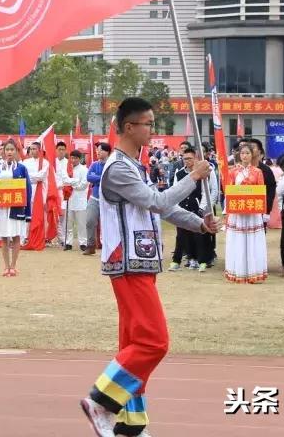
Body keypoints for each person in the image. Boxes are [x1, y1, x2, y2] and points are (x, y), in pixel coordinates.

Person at [80, 97, 218, 437]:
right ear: (129, 127)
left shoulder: (134, 166)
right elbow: (155, 201)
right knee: (154, 342)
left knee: (133, 344)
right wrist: (193, 176)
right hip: (128, 262)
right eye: (148, 124)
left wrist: (199, 224)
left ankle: (132, 421)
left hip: (140, 260)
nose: (152, 130)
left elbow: (163, 208)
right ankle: (101, 401)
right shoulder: (118, 168)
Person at [223, 142, 268, 284]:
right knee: (238, 240)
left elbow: (261, 192)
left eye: (248, 153)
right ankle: (239, 271)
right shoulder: (233, 172)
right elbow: (228, 191)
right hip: (238, 212)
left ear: (252, 155)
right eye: (242, 153)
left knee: (253, 241)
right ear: (239, 155)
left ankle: (253, 272)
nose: (245, 156)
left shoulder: (258, 172)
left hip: (252, 212)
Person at [0, 141, 31, 276]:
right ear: (3, 151)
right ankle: (6, 266)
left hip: (16, 207)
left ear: (16, 151)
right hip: (2, 208)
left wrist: (27, 211)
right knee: (4, 237)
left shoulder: (22, 168)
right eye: (7, 149)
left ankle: (13, 265)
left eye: (12, 149)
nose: (9, 152)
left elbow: (27, 190)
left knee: (16, 236)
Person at [167, 149, 210, 273]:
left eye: (190, 158)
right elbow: (175, 189)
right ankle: (176, 261)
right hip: (182, 207)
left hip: (196, 207)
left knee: (199, 235)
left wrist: (201, 208)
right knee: (181, 235)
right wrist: (176, 206)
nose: (187, 161)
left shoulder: (202, 173)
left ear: (195, 158)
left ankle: (202, 261)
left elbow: (205, 192)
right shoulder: (179, 173)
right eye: (185, 159)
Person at [83, 143, 110, 256]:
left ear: (107, 152)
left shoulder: (111, 165)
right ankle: (91, 245)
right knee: (89, 221)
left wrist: (97, 178)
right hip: (94, 198)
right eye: (97, 150)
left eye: (100, 150)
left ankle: (109, 247)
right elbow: (89, 177)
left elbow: (111, 179)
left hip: (108, 200)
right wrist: (102, 178)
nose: (97, 152)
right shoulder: (94, 164)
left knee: (108, 224)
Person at [66, 150, 90, 251]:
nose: (73, 160)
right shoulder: (68, 169)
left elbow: (83, 185)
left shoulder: (84, 169)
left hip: (80, 200)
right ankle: (68, 242)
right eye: (72, 158)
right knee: (69, 223)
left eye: (75, 158)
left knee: (81, 223)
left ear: (79, 159)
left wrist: (71, 184)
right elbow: (64, 181)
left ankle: (83, 243)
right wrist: (74, 183)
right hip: (69, 198)